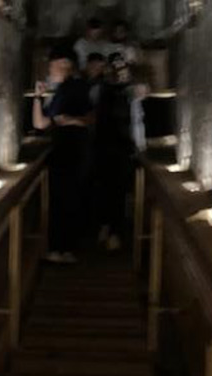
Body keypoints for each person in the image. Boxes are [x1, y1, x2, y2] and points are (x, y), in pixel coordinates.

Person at [33, 47, 93, 264]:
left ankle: (63, 248)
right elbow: (40, 123)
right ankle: (60, 248)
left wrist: (70, 120)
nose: (51, 71)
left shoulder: (75, 88)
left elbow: (88, 118)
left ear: (66, 66)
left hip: (73, 150)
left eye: (54, 66)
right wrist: (38, 97)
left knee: (67, 199)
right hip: (64, 150)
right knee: (62, 199)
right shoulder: (61, 91)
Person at [95, 54, 146, 251]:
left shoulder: (123, 92)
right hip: (111, 146)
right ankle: (109, 228)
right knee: (109, 189)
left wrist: (138, 146)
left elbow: (135, 121)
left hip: (118, 147)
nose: (120, 72)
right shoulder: (109, 91)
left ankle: (112, 230)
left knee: (116, 190)